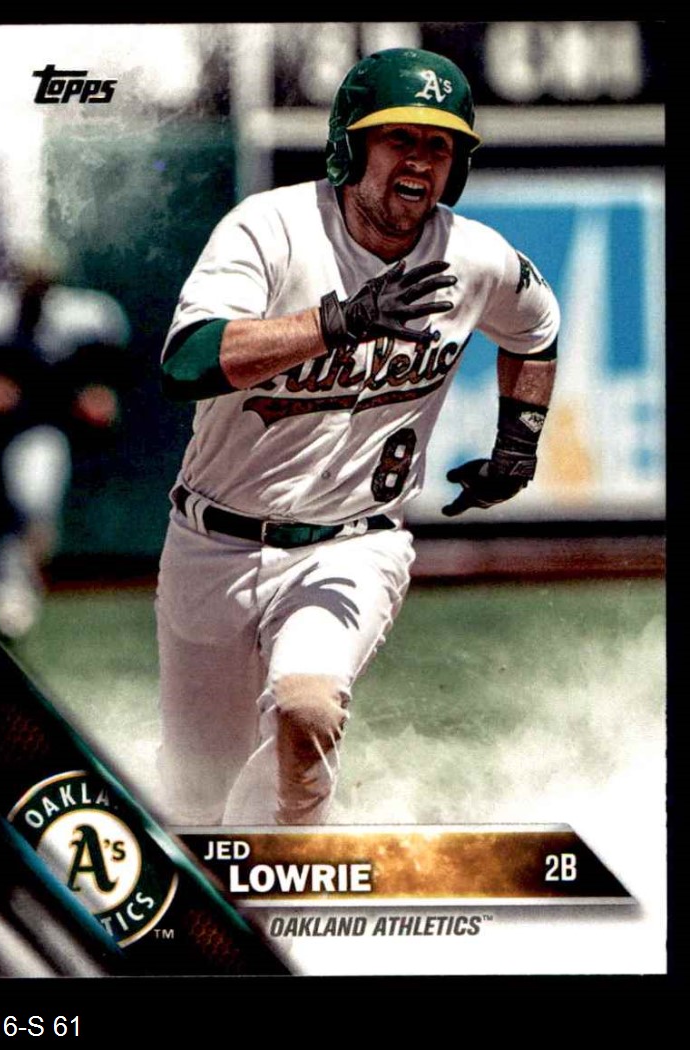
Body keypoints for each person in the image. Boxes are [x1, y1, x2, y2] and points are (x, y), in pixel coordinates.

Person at [156, 47, 559, 826]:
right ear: (350, 145)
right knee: (195, 797)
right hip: (212, 544)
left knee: (306, 707)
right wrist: (336, 322)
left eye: (440, 145)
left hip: (352, 543)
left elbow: (536, 329)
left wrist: (520, 441)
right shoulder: (272, 228)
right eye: (399, 138)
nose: (420, 161)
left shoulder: (473, 255)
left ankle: (302, 861)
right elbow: (187, 362)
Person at [0, 247, 131, 640]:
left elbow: (108, 378)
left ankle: (14, 588)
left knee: (33, 498)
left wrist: (99, 390)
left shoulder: (88, 315)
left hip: (34, 428)